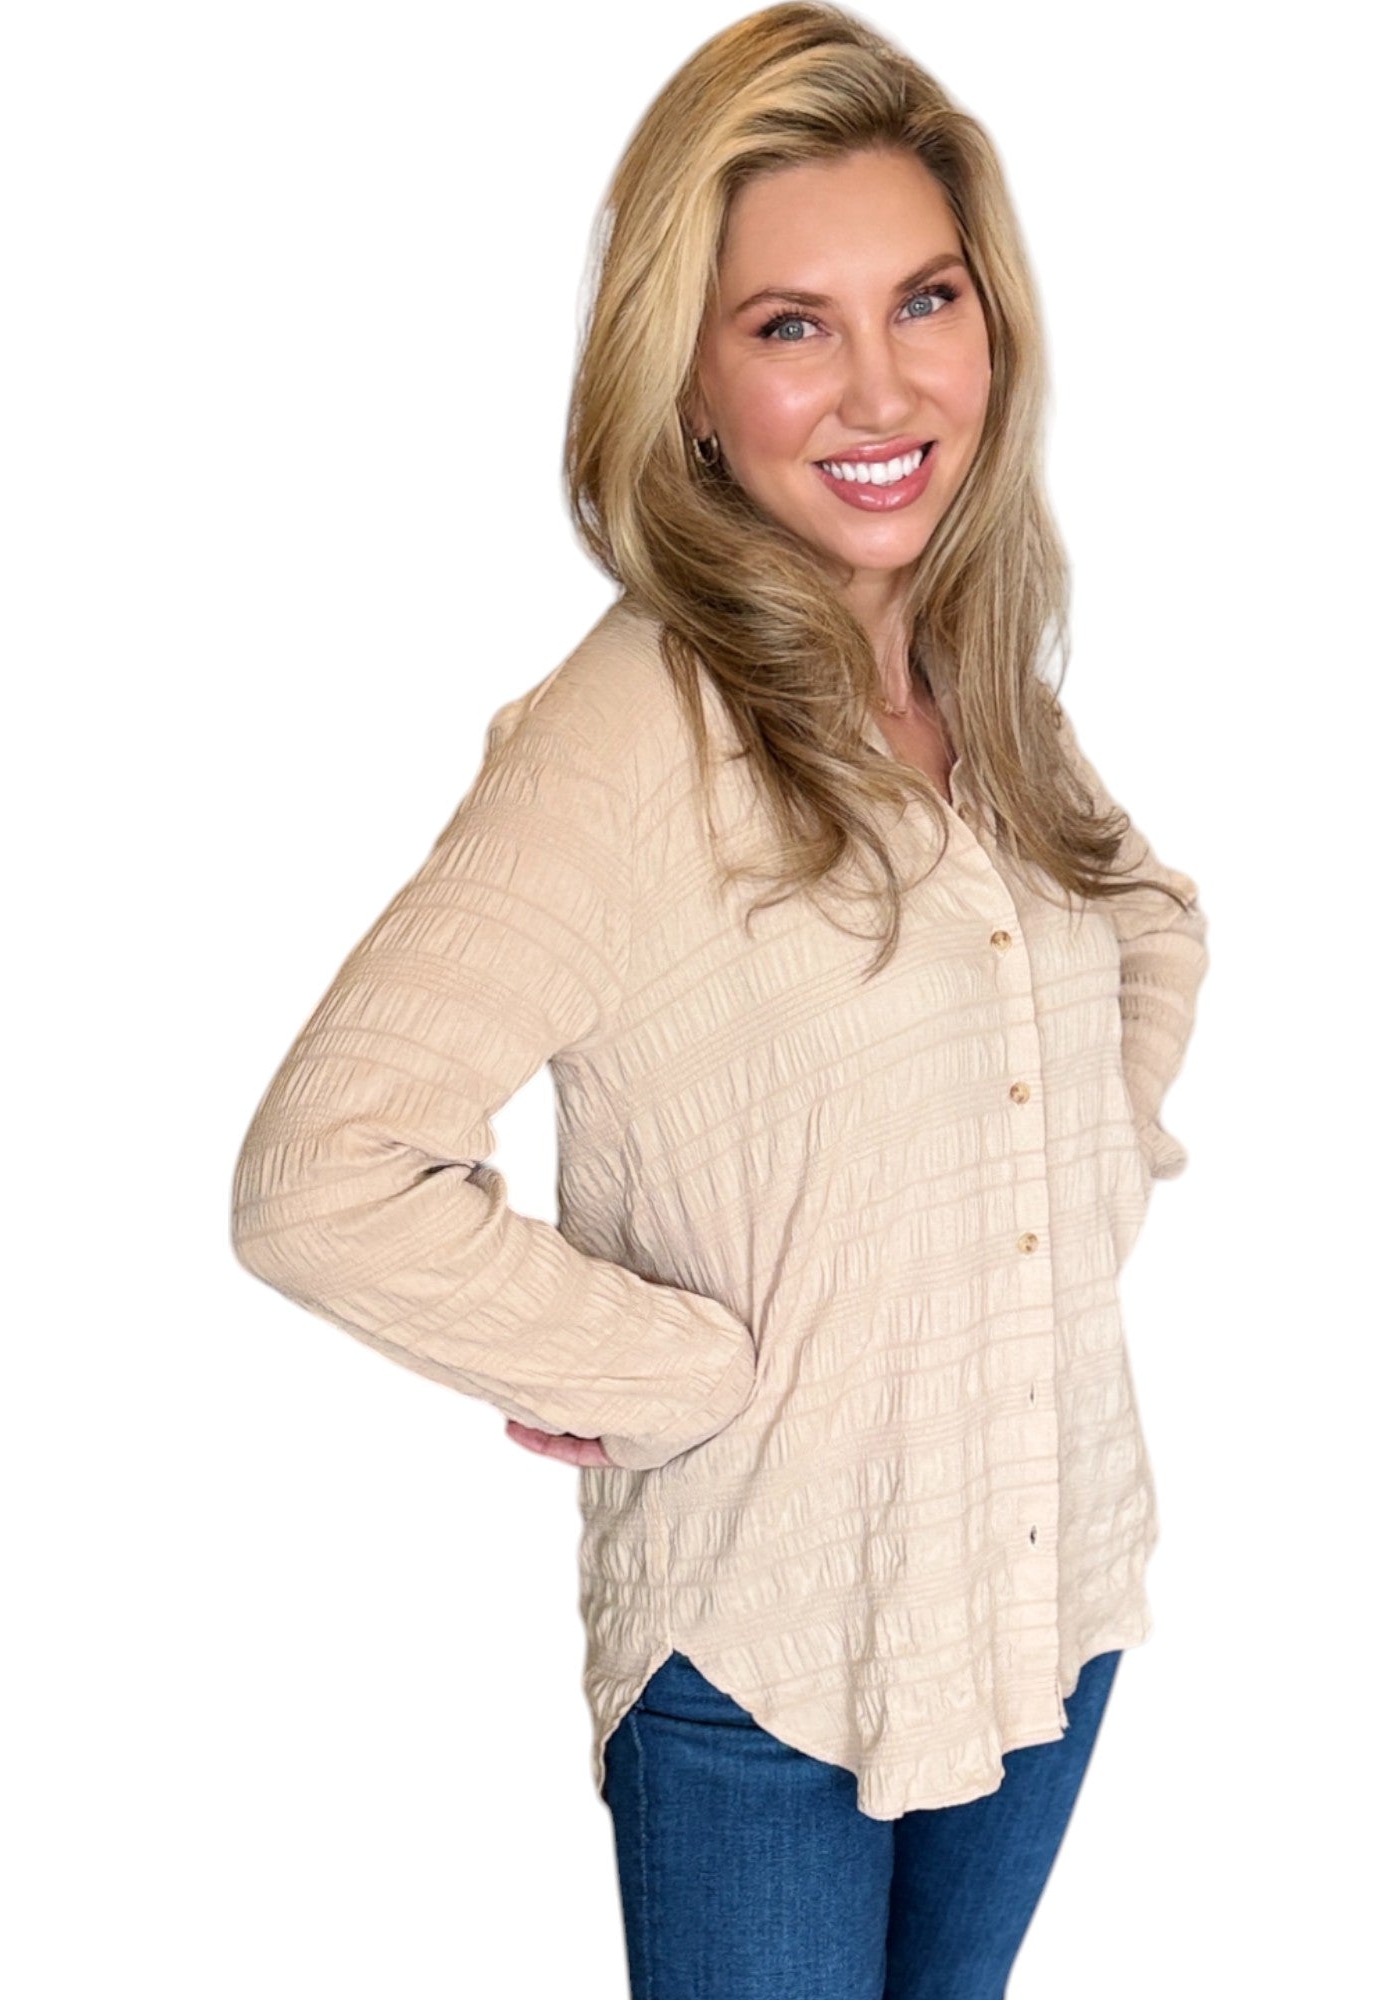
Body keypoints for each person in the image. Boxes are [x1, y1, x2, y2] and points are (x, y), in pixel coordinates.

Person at [228, 3, 1210, 1992]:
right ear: (682, 376)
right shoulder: (620, 738)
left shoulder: (970, 654)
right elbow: (321, 1172)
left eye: (922, 298)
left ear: (990, 323)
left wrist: (1081, 1189)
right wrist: (660, 1372)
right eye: (787, 324)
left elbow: (1140, 917)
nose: (878, 384)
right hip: (762, 1659)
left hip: (1049, 1578)